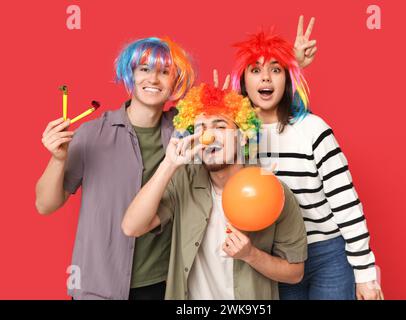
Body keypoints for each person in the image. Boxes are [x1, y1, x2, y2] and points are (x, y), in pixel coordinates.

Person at [229, 20, 384, 300]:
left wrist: (366, 275)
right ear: (243, 82)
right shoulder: (234, 137)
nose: (265, 78)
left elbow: (346, 204)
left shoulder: (313, 129)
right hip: (277, 259)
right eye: (255, 70)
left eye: (275, 70)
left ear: (287, 79)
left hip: (327, 255)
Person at [35, 37, 195, 300]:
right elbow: (45, 205)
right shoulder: (93, 133)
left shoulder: (183, 131)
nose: (154, 79)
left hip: (162, 285)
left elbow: (233, 134)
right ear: (130, 74)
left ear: (175, 82)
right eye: (144, 69)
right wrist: (58, 158)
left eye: (164, 72)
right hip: (98, 286)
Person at [122, 83, 308, 299]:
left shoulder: (273, 191)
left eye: (220, 126)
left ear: (243, 135)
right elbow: (131, 227)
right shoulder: (183, 180)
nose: (208, 136)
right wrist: (168, 164)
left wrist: (250, 255)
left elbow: (295, 273)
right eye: (200, 127)